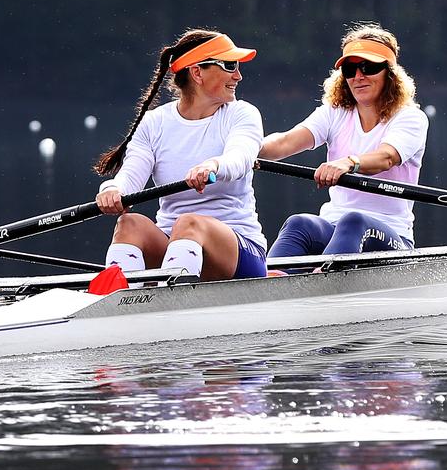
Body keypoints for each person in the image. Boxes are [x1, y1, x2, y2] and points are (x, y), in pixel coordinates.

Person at [94, 28, 268, 281]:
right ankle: (121, 301)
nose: (238, 76)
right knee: (128, 223)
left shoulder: (242, 114)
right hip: (173, 244)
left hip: (240, 251)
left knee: (189, 223)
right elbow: (130, 177)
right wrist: (112, 189)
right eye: (230, 65)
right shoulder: (155, 123)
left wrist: (213, 166)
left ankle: (171, 298)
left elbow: (239, 158)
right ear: (197, 72)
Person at [258, 23, 427, 257]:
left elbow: (386, 158)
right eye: (350, 70)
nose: (358, 77)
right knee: (299, 224)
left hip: (392, 237)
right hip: (334, 225)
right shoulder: (334, 113)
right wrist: (243, 149)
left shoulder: (410, 117)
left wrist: (348, 163)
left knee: (354, 220)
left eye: (368, 67)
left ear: (390, 73)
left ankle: (322, 281)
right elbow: (284, 143)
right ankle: (271, 284)